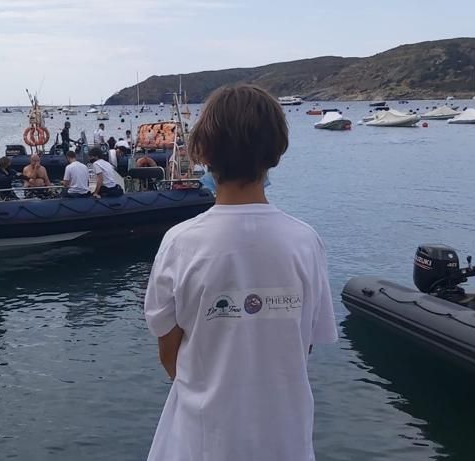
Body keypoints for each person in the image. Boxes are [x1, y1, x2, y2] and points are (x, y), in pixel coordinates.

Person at [143, 84, 337, 461]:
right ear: (277, 152)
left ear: (201, 152)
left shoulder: (180, 243)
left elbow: (169, 353)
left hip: (198, 443)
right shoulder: (305, 242)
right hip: (286, 442)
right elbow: (303, 345)